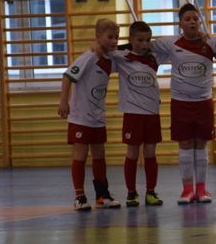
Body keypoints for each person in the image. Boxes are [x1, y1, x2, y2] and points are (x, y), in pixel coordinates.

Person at [150, 3, 216, 204]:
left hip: (203, 102)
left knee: (201, 143)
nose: (192, 22)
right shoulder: (171, 43)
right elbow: (141, 44)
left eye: (195, 18)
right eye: (187, 19)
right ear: (180, 24)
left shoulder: (211, 42)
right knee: (185, 144)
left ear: (199, 22)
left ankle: (201, 189)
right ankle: (187, 190)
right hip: (180, 103)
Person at [58, 18, 121, 211]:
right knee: (81, 154)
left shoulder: (111, 58)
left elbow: (130, 49)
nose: (114, 41)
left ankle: (102, 196)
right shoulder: (89, 57)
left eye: (116, 37)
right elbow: (68, 76)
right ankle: (79, 197)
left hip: (97, 118)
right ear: (98, 36)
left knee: (99, 154)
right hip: (81, 117)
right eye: (109, 37)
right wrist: (63, 102)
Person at [110, 21, 165, 207]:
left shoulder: (154, 57)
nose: (144, 44)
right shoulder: (121, 57)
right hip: (132, 113)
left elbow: (170, 44)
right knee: (132, 152)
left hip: (152, 113)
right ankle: (131, 193)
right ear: (130, 39)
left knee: (150, 152)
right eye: (139, 40)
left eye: (147, 40)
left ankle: (151, 192)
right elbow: (102, 49)